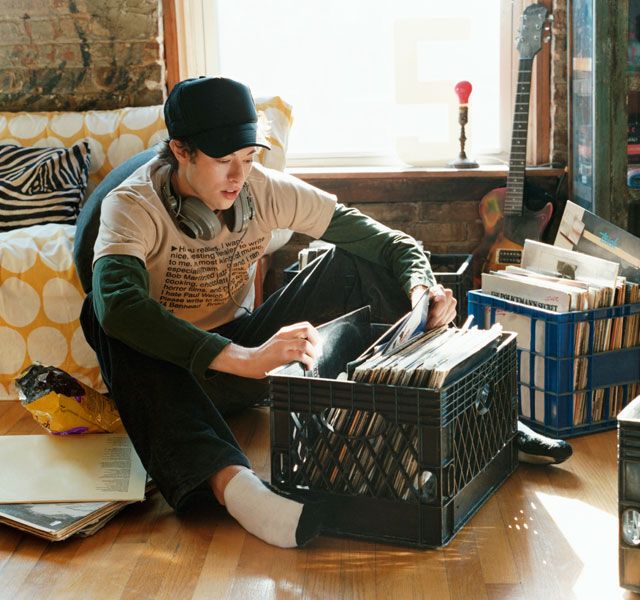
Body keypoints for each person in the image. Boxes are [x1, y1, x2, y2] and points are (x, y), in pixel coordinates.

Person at [79, 76, 569, 550]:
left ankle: (474, 414)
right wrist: (244, 359)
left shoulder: (263, 190)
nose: (238, 177)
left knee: (355, 259)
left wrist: (423, 289)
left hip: (247, 357)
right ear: (181, 150)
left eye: (248, 158)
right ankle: (236, 489)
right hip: (169, 381)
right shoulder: (132, 206)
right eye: (223, 161)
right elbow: (119, 305)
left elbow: (391, 244)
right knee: (101, 316)